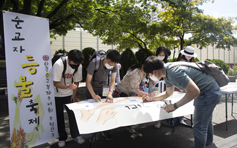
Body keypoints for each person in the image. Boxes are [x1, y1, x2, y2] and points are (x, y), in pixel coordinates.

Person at [142, 56, 222, 148]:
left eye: (149, 74)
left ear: (155, 72)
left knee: (199, 126)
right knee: (206, 121)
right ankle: (209, 144)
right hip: (209, 90)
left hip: (208, 93)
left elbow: (194, 91)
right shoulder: (167, 71)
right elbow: (168, 93)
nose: (149, 77)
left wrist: (175, 106)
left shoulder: (173, 73)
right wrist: (151, 99)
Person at [86, 49, 121, 141]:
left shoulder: (115, 66)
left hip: (104, 89)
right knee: (93, 112)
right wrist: (93, 95)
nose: (110, 65)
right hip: (92, 88)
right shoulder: (94, 63)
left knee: (106, 111)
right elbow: (88, 81)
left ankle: (105, 131)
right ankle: (92, 134)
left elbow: (113, 80)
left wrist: (110, 93)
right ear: (105, 58)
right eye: (109, 62)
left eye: (113, 64)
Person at [53, 49, 85, 147]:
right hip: (57, 94)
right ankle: (62, 138)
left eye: (78, 63)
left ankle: (76, 135)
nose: (76, 64)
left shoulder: (78, 65)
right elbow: (55, 82)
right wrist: (67, 87)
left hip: (70, 94)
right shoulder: (59, 64)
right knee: (59, 117)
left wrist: (74, 94)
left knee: (73, 115)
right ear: (68, 59)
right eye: (74, 62)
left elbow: (76, 81)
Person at [114, 59, 155, 133]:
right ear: (143, 65)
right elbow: (135, 90)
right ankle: (126, 125)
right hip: (123, 92)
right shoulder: (135, 73)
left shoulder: (143, 71)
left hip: (130, 92)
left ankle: (129, 124)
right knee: (126, 109)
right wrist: (148, 94)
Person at [148, 46, 171, 128]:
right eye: (159, 54)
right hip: (154, 83)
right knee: (154, 99)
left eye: (163, 55)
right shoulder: (153, 61)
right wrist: (151, 79)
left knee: (162, 100)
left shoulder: (166, 63)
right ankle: (154, 119)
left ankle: (160, 119)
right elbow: (148, 73)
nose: (161, 56)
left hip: (163, 83)